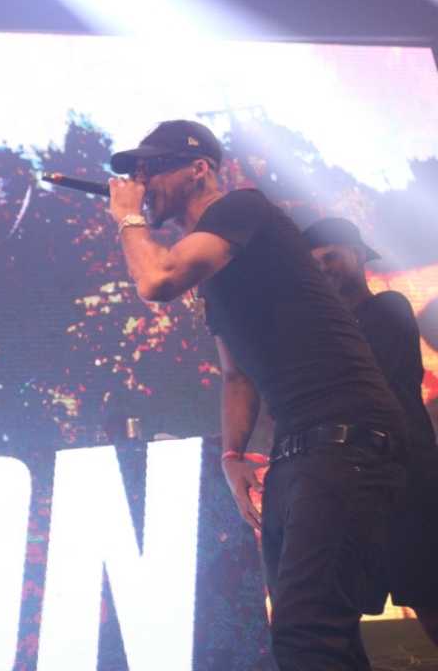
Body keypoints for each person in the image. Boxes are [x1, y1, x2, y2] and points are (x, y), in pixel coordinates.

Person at [105, 120, 406, 670]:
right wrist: (232, 455)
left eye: (152, 170)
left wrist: (127, 216)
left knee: (305, 633)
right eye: (136, 176)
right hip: (300, 448)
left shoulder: (243, 207)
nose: (142, 184)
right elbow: (236, 376)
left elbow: (157, 279)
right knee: (322, 637)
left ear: (199, 169)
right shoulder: (217, 272)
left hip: (346, 436)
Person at [304, 217, 438, 645]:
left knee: (428, 595)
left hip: (408, 471)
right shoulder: (320, 329)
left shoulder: (388, 307)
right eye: (314, 264)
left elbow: (365, 384)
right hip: (358, 481)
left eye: (330, 257)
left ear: (358, 254)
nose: (324, 268)